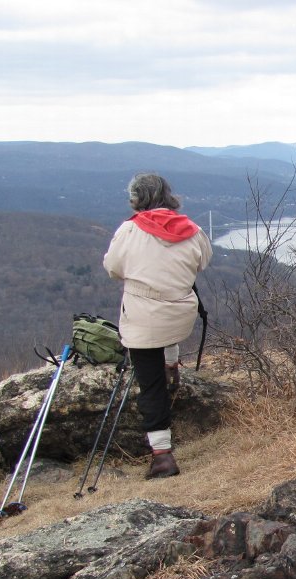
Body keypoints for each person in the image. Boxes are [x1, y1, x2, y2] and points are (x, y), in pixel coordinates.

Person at [103, 173, 212, 479]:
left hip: (143, 318)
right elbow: (203, 261)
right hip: (180, 315)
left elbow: (113, 268)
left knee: (151, 385)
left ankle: (162, 455)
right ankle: (172, 365)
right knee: (165, 328)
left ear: (137, 199)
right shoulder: (192, 229)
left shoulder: (129, 230)